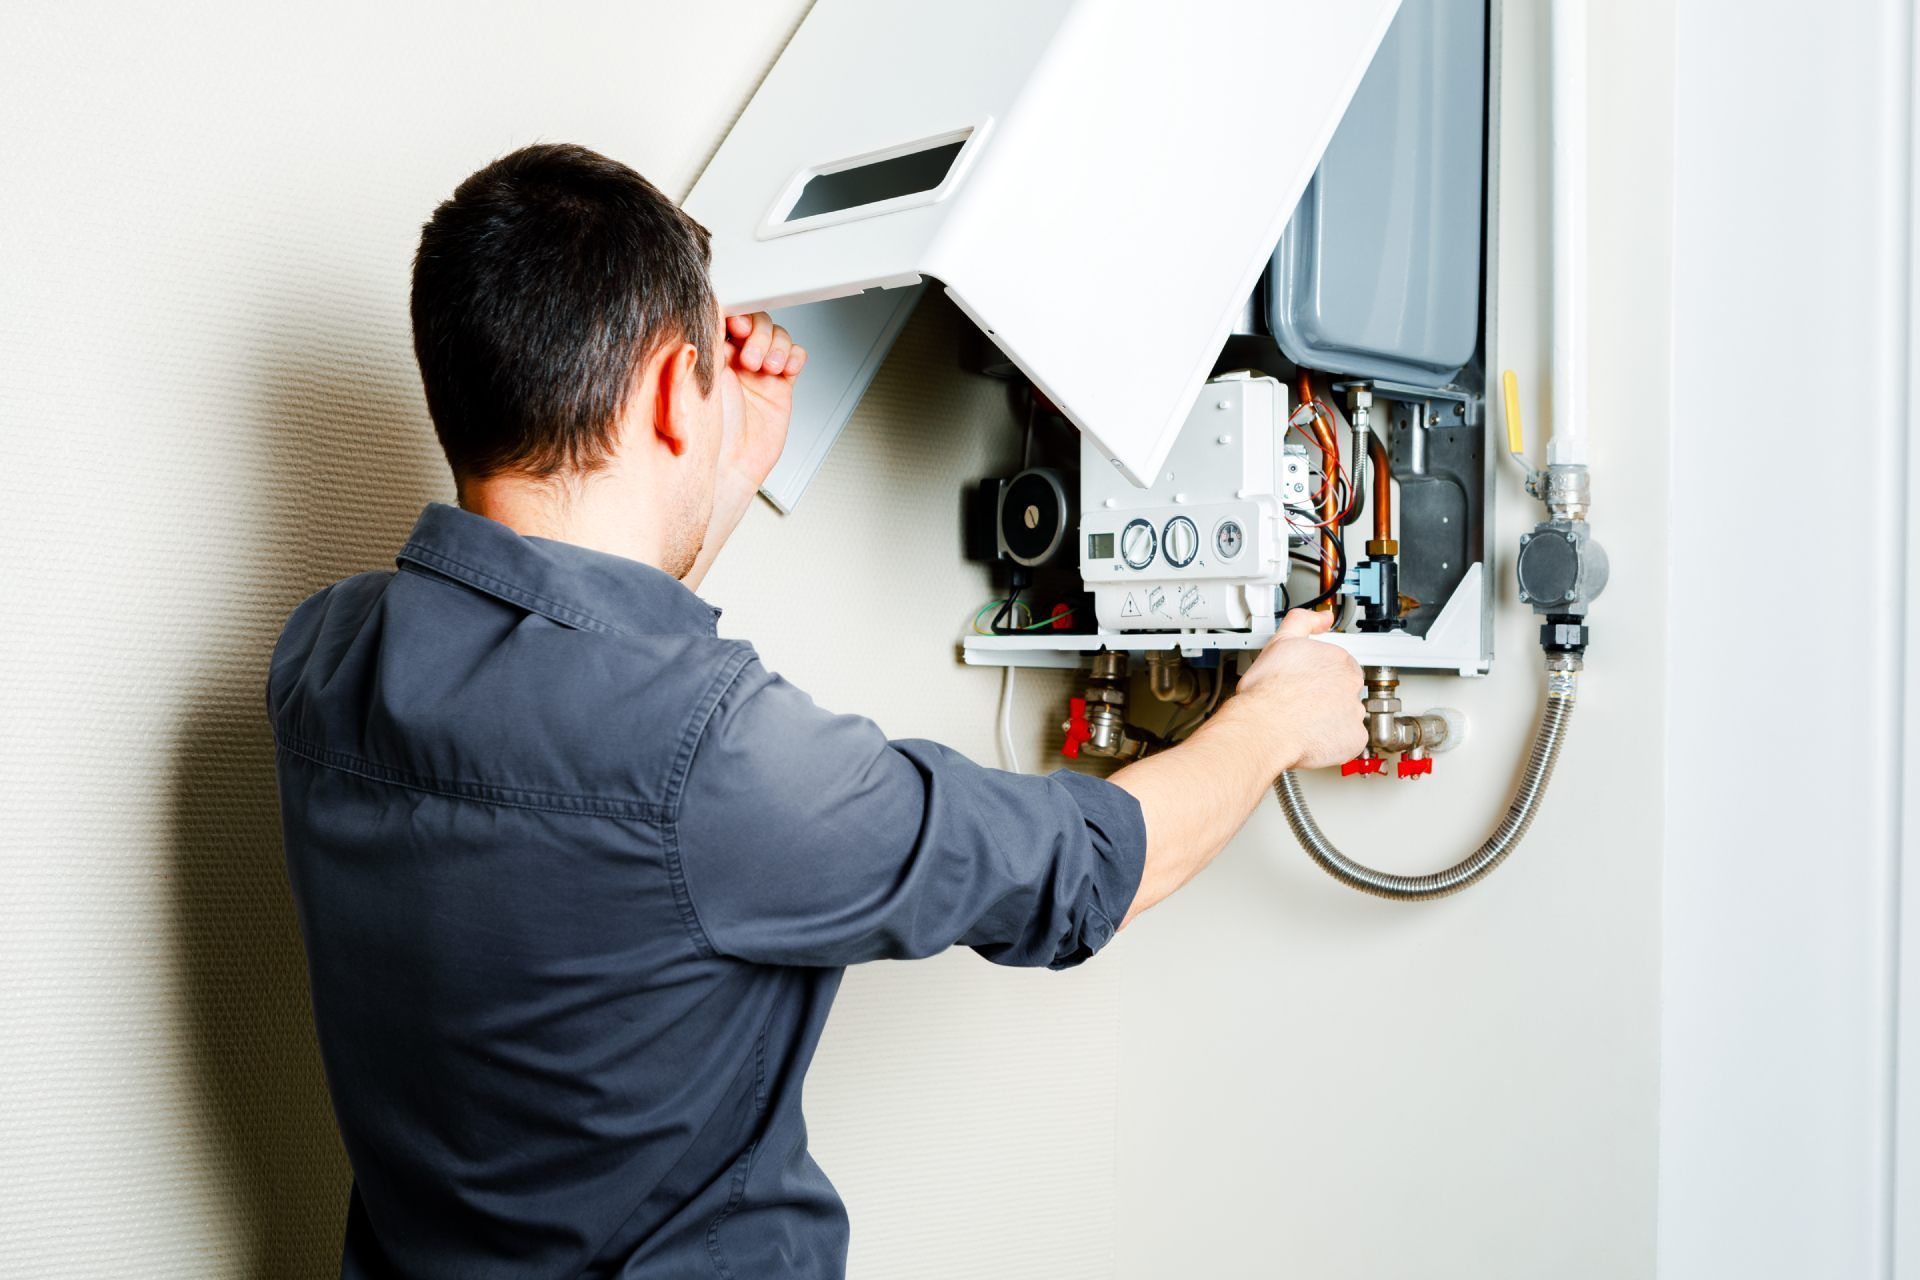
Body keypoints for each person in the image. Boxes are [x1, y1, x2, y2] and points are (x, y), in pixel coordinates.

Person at [269, 143, 1365, 1279]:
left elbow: (577, 702)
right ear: (663, 391)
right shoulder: (717, 762)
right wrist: (1278, 714)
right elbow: (1088, 869)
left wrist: (718, 473)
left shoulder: (324, 656)